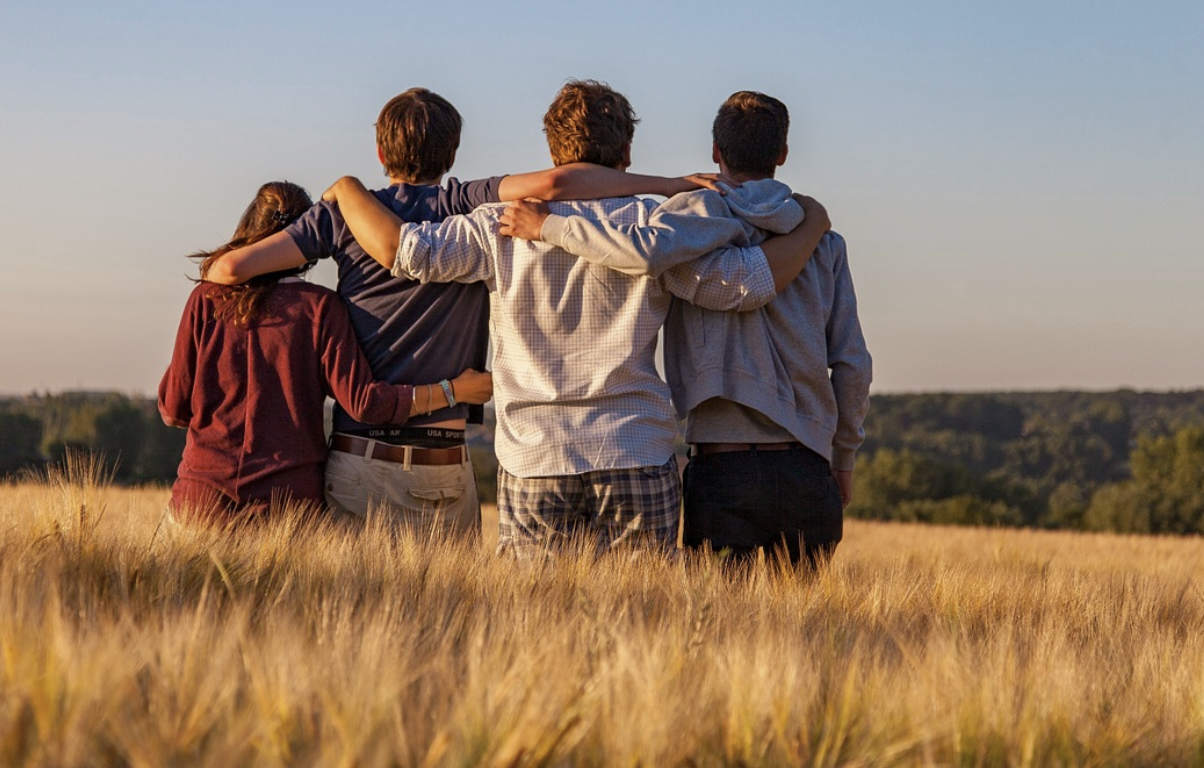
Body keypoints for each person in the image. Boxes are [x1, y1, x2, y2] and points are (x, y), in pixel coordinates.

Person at [324, 80, 831, 558]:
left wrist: (347, 190)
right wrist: (812, 225)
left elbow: (408, 253)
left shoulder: (497, 225)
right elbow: (741, 286)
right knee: (643, 621)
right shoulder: (655, 227)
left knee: (536, 625)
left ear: (552, 153)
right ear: (627, 154)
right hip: (634, 447)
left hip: (534, 455)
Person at [201, 88, 715, 534]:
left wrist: (340, 196)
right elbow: (559, 185)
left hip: (359, 456)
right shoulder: (467, 203)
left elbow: (227, 272)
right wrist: (668, 185)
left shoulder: (341, 215)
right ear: (453, 152)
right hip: (444, 461)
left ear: (381, 151)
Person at [500, 91, 871, 568]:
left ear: (716, 152)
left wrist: (550, 226)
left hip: (722, 467)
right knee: (801, 634)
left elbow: (644, 253)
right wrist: (843, 456)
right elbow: (853, 364)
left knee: (715, 630)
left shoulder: (684, 226)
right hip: (808, 466)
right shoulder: (823, 242)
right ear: (782, 154)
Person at [158, 180, 492, 526]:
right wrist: (454, 391)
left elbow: (174, 408)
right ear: (307, 240)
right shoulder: (320, 308)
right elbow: (365, 403)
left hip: (201, 500)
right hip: (287, 508)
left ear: (250, 227)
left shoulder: (206, 299)